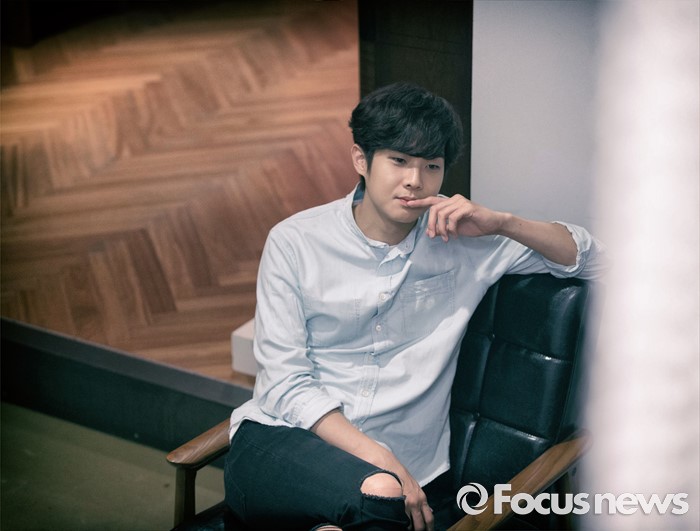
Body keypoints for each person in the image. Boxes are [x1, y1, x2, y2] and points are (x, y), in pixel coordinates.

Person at [224, 82, 607, 531]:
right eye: (399, 160)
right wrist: (382, 461)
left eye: (432, 166)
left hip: (413, 472)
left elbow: (597, 261)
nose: (415, 180)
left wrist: (502, 222)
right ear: (361, 160)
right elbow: (285, 382)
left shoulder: (465, 241)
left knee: (358, 510)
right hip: (283, 443)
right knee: (379, 491)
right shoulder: (295, 241)